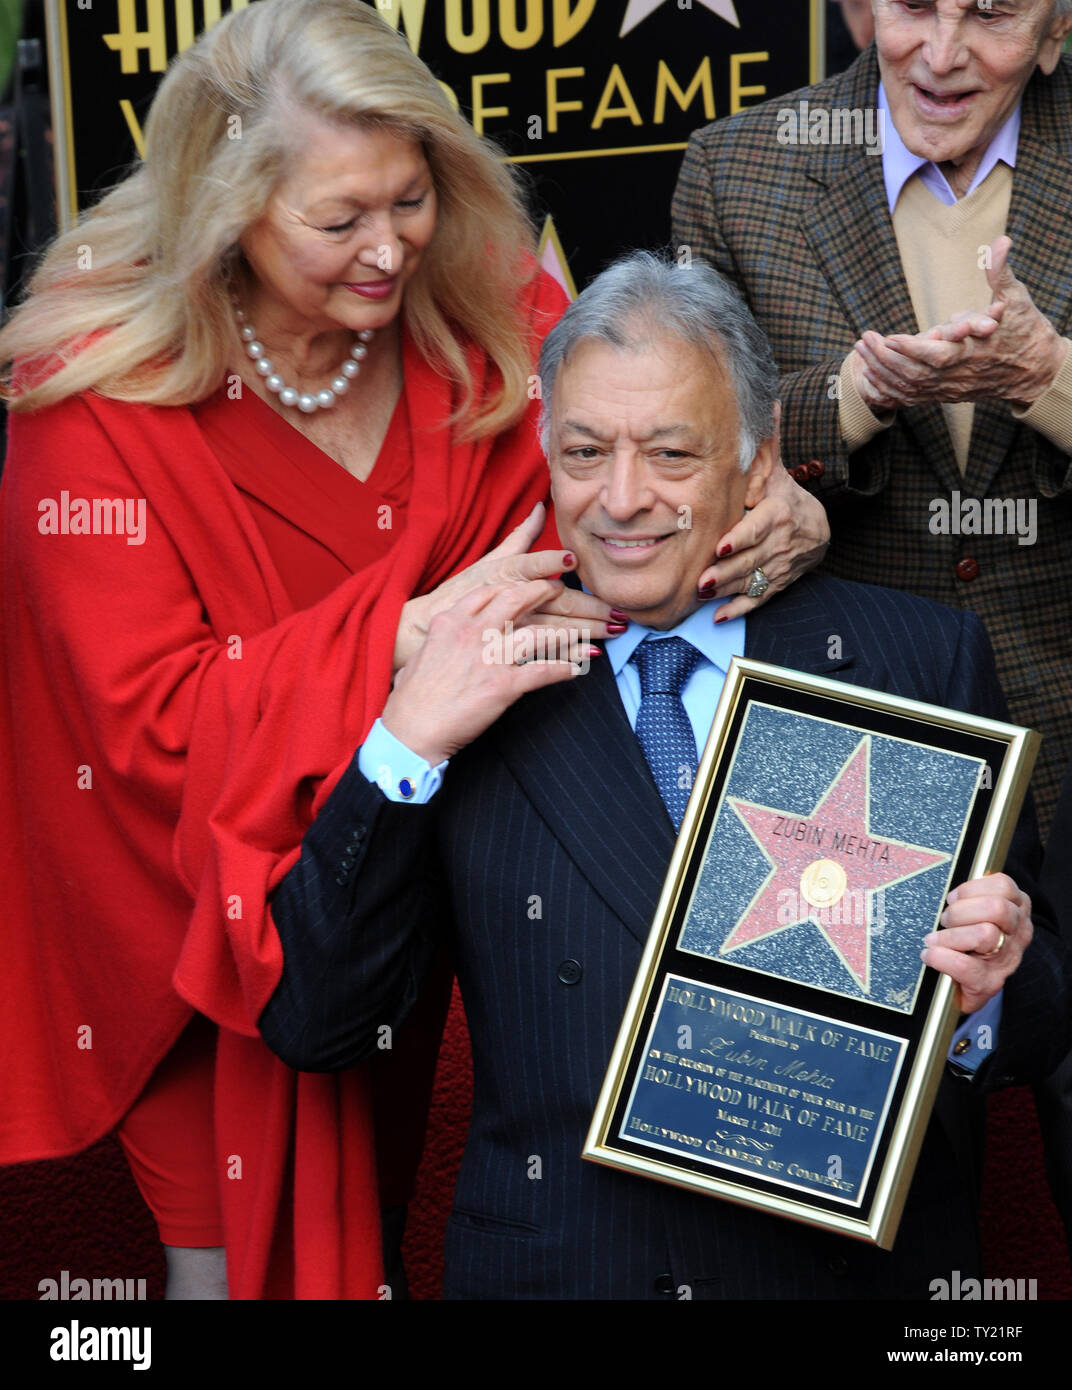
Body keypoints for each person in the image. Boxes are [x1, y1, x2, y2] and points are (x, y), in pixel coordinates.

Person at [259, 254, 1072, 1299]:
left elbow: (1040, 1012)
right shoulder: (473, 685)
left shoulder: (917, 660)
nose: (622, 498)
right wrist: (402, 741)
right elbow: (317, 1021)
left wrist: (993, 990)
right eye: (585, 451)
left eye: (671, 452)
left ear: (757, 457)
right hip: (573, 1272)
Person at [0, 0, 627, 1300]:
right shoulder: (93, 393)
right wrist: (407, 640)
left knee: (378, 1203)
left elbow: (610, 488)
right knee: (221, 1273)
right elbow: (147, 724)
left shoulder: (490, 298)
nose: (390, 249)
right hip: (186, 910)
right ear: (219, 207)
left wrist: (768, 480)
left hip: (406, 855)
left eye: (410, 199)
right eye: (337, 221)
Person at [671, 0, 1072, 1245]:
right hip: (862, 762)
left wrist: (1042, 377)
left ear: (1057, 30)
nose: (942, 53)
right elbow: (683, 440)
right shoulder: (737, 169)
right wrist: (844, 404)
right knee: (883, 1183)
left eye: (994, 15)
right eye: (912, 6)